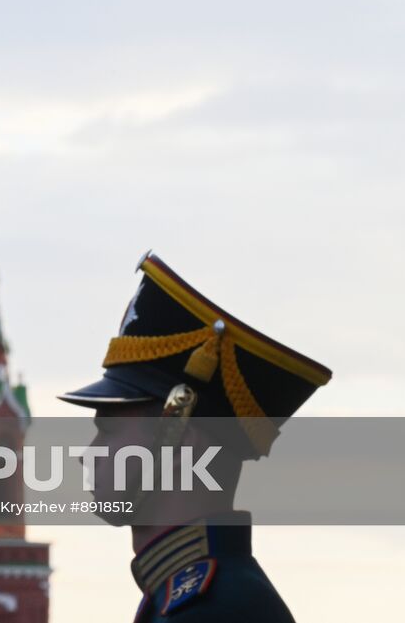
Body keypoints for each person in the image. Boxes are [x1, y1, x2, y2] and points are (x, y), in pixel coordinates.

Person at [58, 252, 332, 622]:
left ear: (179, 442)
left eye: (108, 431)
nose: (87, 455)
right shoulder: (199, 598)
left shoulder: (211, 609)